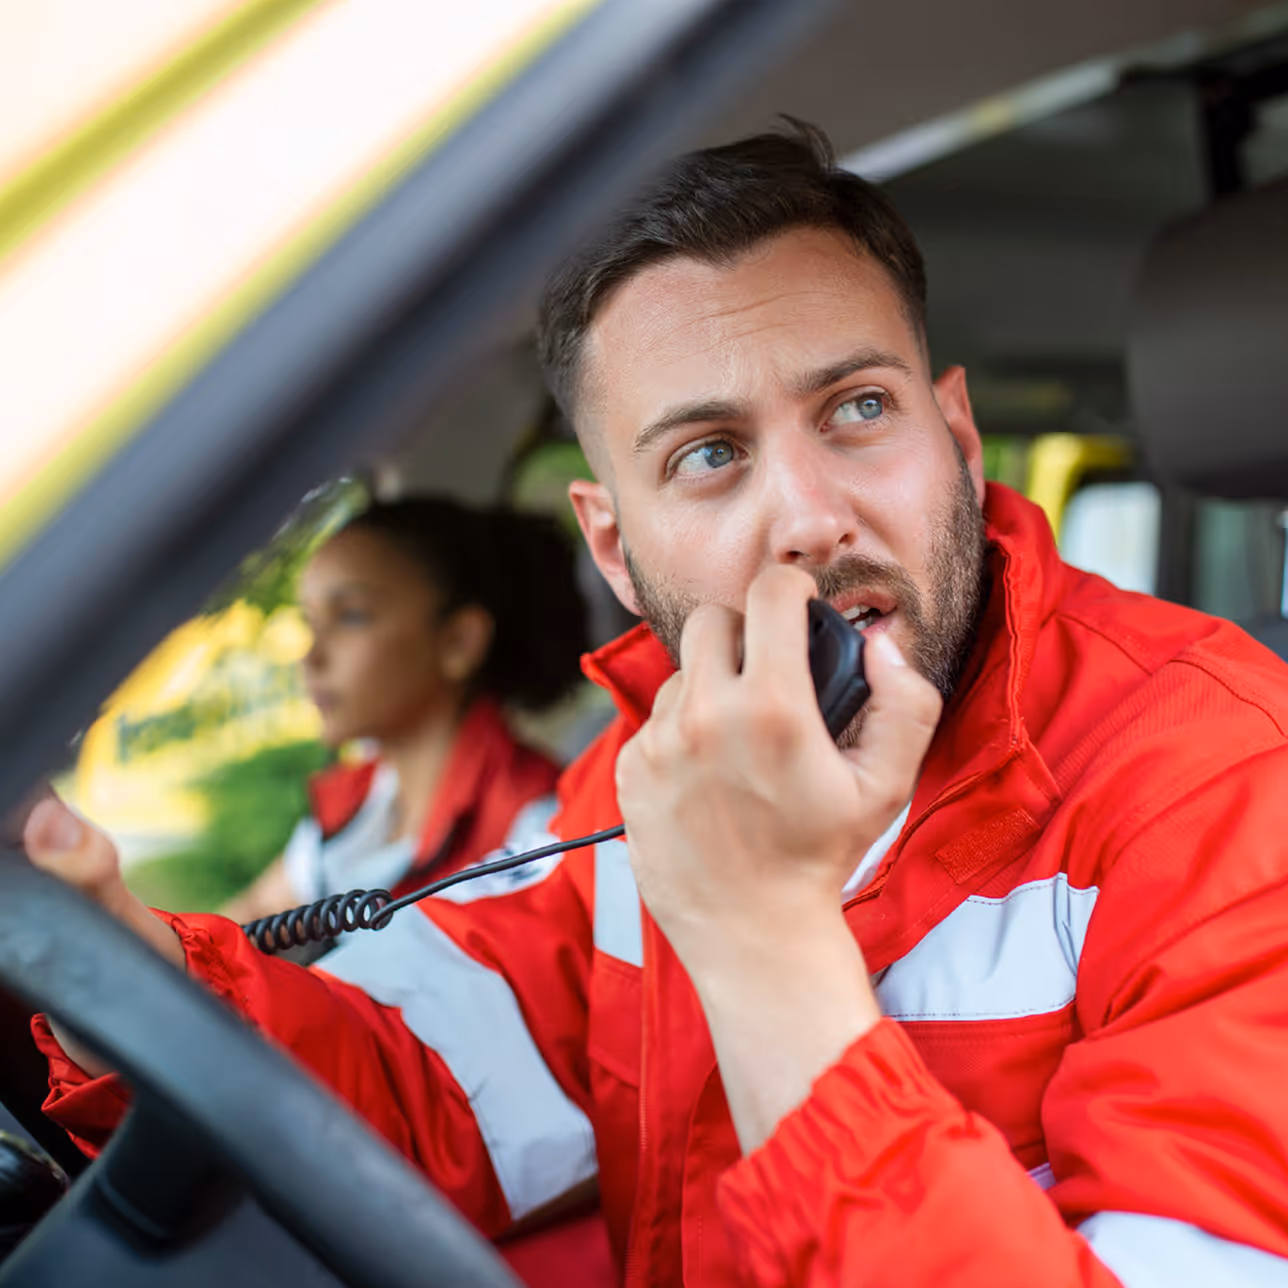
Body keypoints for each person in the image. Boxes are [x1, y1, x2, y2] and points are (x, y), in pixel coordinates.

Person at [24, 123, 1288, 1286]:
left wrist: (759, 937)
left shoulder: (1224, 787)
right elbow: (413, 1092)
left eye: (857, 409)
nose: (806, 516)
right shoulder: (648, 772)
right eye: (710, 454)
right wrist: (115, 972)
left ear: (954, 438)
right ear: (614, 547)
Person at [222, 496, 587, 924]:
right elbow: (249, 918)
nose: (312, 657)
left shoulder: (537, 830)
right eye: (311, 622)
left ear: (459, 642)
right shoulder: (364, 798)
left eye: (352, 616)